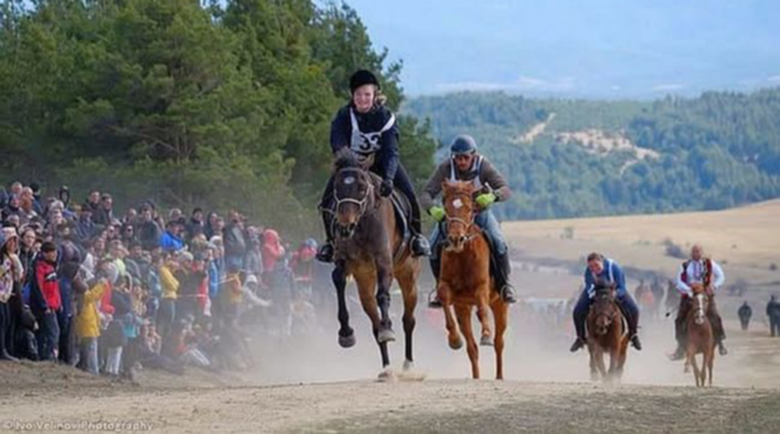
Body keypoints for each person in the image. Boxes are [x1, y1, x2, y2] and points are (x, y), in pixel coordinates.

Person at [316, 69, 430, 262]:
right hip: (351, 165)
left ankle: (416, 237)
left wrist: (389, 178)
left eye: (367, 95)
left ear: (375, 95)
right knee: (327, 200)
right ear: (352, 96)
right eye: (358, 95)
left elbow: (391, 151)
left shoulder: (386, 118)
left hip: (381, 162)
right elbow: (337, 144)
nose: (362, 99)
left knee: (409, 194)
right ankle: (330, 243)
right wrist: (350, 162)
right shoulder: (344, 116)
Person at [421, 135, 517, 306]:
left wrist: (493, 196)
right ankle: (438, 289)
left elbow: (505, 189)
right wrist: (433, 209)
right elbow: (426, 193)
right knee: (433, 245)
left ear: (473, 155)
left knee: (499, 242)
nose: (461, 161)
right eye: (458, 157)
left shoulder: (483, 166)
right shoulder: (445, 168)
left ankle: (504, 285)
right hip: (453, 218)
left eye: (465, 157)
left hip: (479, 214)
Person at [570, 253, 642, 352]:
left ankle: (633, 334)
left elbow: (622, 287)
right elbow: (589, 287)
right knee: (577, 311)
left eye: (596, 265)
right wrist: (596, 297)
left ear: (602, 262)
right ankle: (580, 338)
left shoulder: (615, 268)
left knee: (634, 310)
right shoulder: (588, 272)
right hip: (597, 292)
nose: (594, 268)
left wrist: (615, 294)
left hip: (614, 291)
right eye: (591, 266)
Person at [670, 244, 727, 360]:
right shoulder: (685, 266)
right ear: (691, 253)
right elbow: (679, 281)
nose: (696, 254)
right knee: (679, 319)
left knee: (715, 316)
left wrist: (714, 286)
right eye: (694, 252)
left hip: (706, 295)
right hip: (689, 296)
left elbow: (721, 276)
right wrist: (688, 289)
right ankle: (680, 347)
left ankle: (720, 342)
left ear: (702, 252)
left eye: (698, 252)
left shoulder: (709, 264)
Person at [30, 241, 61, 361]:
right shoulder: (40, 268)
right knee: (52, 332)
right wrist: (44, 305)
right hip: (45, 307)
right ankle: (48, 357)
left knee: (45, 332)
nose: (54, 254)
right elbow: (38, 287)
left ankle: (43, 356)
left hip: (52, 305)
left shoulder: (51, 267)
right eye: (51, 252)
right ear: (44, 253)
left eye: (55, 252)